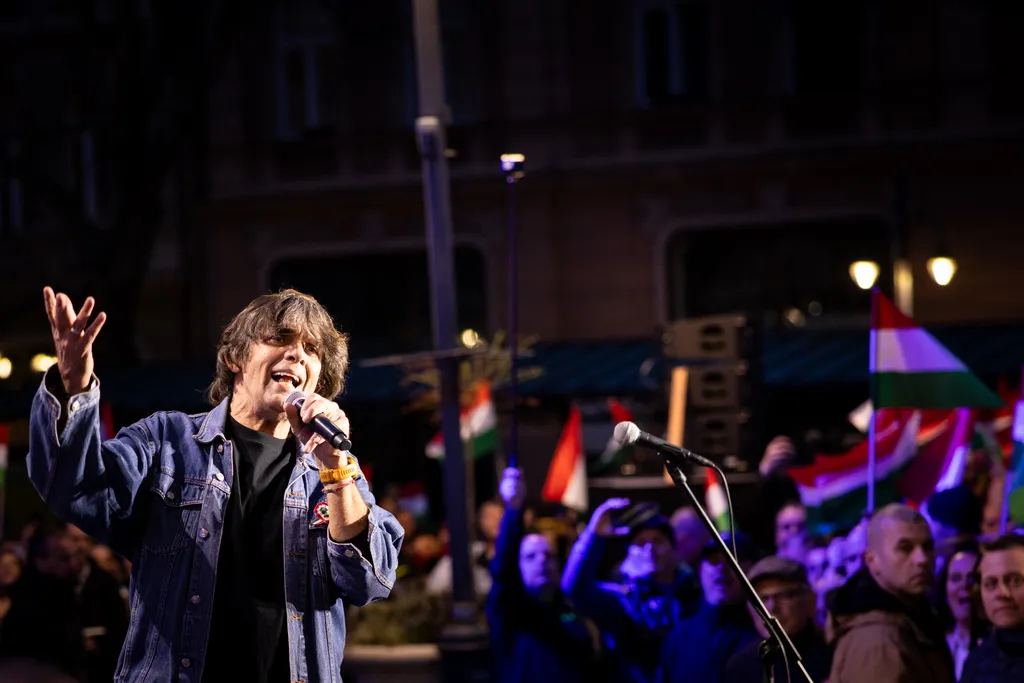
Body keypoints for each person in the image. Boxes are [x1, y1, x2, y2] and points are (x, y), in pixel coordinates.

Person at [27, 287, 403, 682]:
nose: (297, 354)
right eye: (280, 339)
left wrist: (336, 469)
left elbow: (369, 582)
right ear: (234, 357)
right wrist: (72, 387)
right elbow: (75, 488)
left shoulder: (332, 472)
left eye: (311, 349)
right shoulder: (166, 442)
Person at [485, 468, 600, 683]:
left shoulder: (570, 609)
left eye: (548, 556)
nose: (541, 561)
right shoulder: (510, 611)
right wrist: (513, 511)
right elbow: (503, 570)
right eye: (530, 557)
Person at [828, 504, 954, 683]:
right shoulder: (876, 642)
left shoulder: (913, 618)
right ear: (872, 560)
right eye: (905, 548)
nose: (922, 559)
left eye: (927, 547)